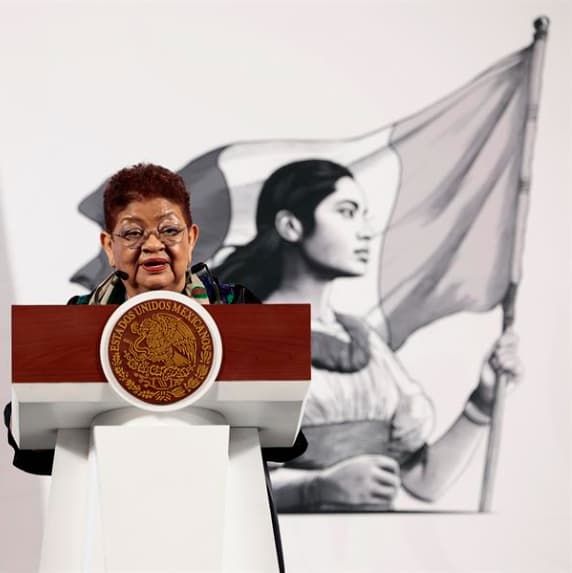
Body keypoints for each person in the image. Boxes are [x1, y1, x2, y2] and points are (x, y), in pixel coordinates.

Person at [5, 162, 306, 569]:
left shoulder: (236, 310)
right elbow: (28, 430)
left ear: (192, 238)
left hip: (224, 517)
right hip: (106, 517)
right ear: (108, 246)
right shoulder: (76, 321)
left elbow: (285, 426)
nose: (152, 245)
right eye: (132, 233)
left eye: (169, 230)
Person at [215, 159, 522, 511]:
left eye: (363, 215)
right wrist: (314, 488)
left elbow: (424, 481)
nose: (364, 231)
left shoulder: (365, 341)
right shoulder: (247, 333)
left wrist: (482, 402)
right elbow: (222, 485)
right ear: (291, 226)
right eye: (346, 212)